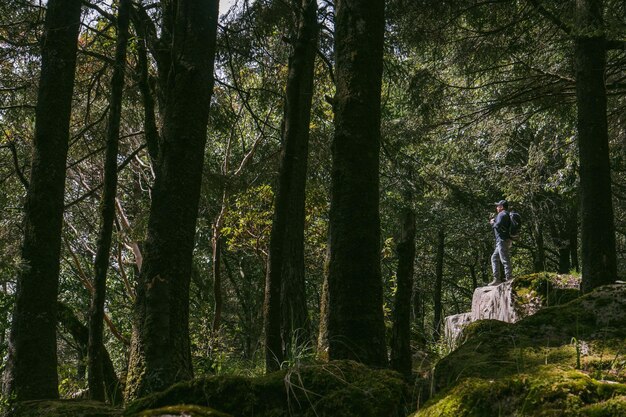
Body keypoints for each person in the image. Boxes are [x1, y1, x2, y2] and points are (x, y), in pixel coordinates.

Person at [489, 200, 512, 285]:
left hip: (502, 240)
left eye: (498, 206)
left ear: (501, 207)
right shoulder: (506, 214)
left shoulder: (502, 214)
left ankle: (509, 278)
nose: (497, 207)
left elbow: (497, 226)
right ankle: (497, 279)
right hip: (502, 240)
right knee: (494, 258)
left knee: (504, 259)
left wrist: (492, 223)